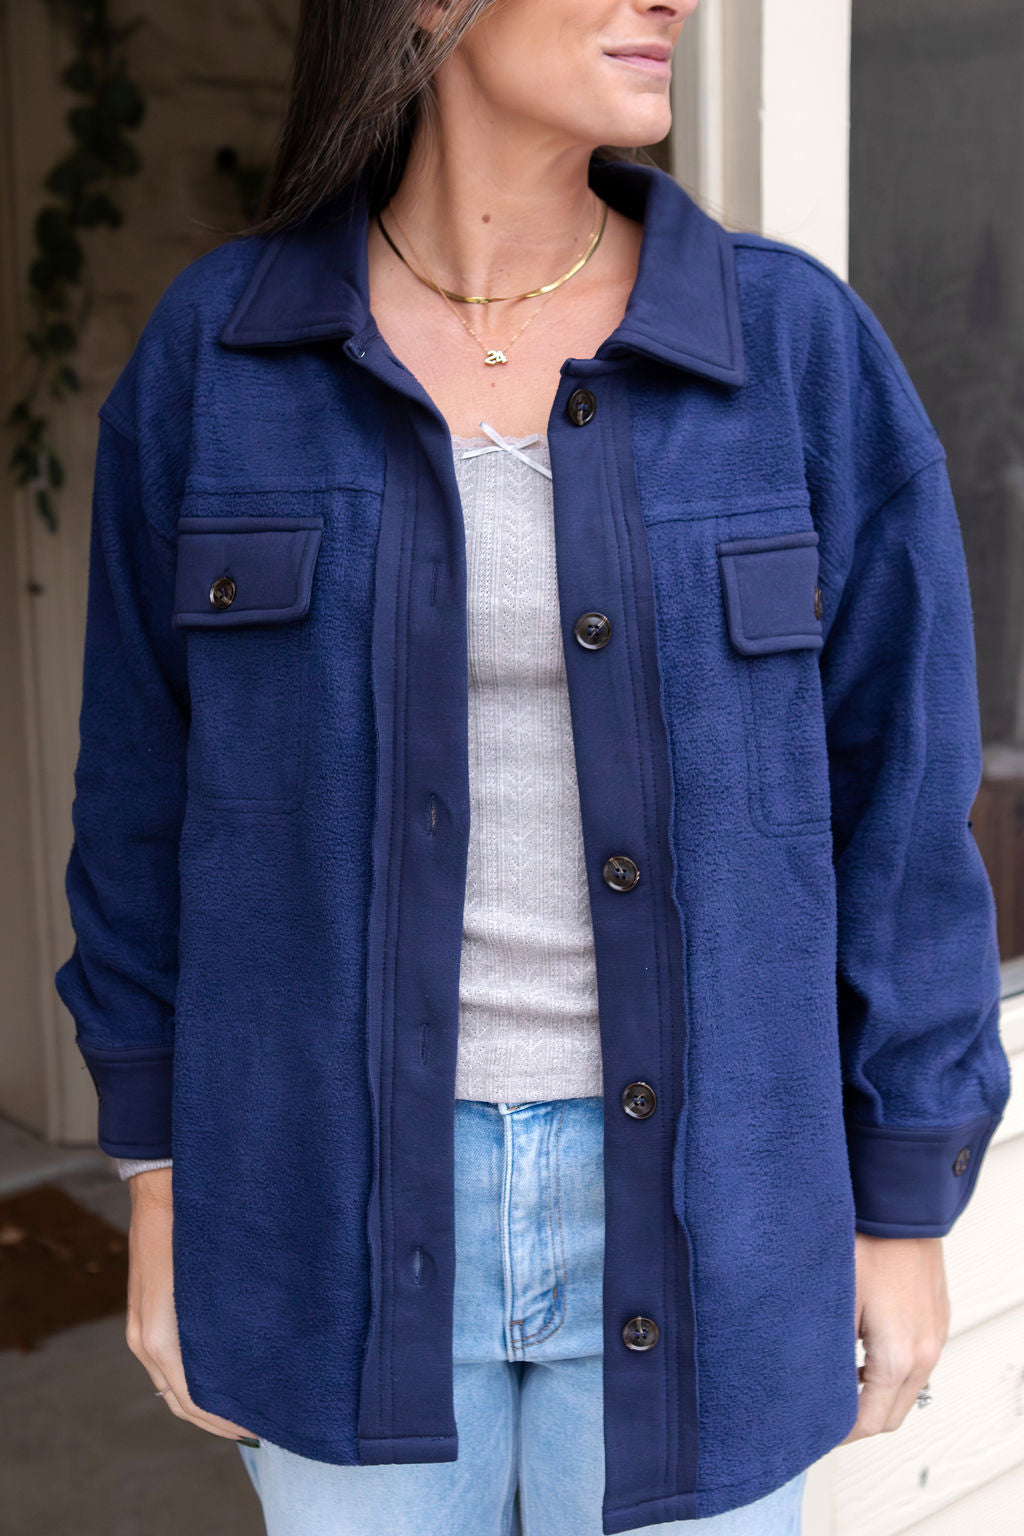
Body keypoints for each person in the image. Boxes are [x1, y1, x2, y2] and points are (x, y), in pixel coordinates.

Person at [55, 0, 1012, 1533]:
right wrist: (161, 1183)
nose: (670, 1)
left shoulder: (793, 354)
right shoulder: (221, 361)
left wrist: (904, 1203)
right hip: (324, 1219)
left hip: (713, 1229)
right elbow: (138, 809)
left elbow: (902, 814)